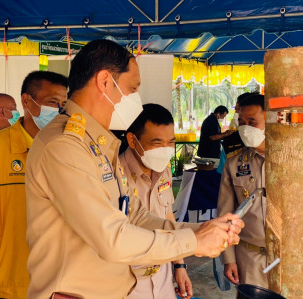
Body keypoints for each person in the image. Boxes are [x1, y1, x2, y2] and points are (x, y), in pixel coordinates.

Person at [25, 40, 243, 299]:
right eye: (132, 88)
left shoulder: (98, 143)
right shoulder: (65, 147)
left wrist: (201, 230)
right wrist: (194, 243)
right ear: (105, 81)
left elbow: (135, 216)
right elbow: (112, 238)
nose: (136, 99)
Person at [0, 70, 68, 299]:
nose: (58, 111)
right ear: (26, 101)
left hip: (59, 282)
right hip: (10, 280)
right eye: (52, 102)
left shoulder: (67, 149)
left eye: (63, 104)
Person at [121, 103, 193, 299]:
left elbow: (168, 216)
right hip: (128, 284)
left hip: (163, 279)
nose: (166, 150)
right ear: (132, 140)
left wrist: (180, 265)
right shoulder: (115, 174)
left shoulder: (164, 170)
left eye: (171, 142)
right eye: (157, 142)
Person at [217, 94, 268, 288]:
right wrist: (228, 258)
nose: (245, 128)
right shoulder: (234, 163)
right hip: (249, 257)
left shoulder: (290, 158)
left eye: (252, 122)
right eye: (242, 122)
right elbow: (225, 214)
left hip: (290, 258)